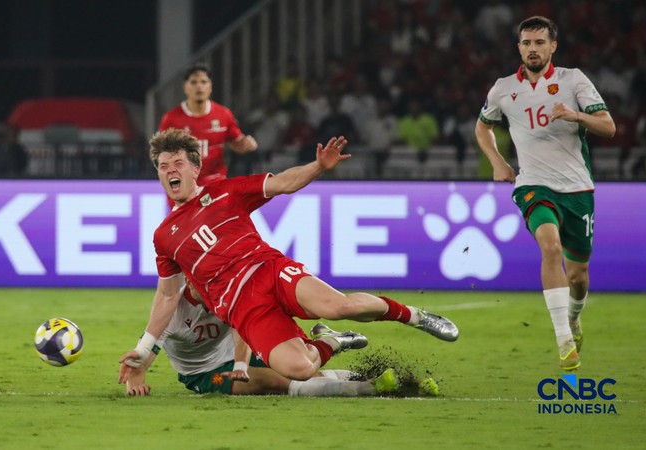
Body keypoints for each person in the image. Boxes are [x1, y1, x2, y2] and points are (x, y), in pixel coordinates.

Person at [118, 129, 458, 385]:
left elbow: (281, 183)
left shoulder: (226, 192)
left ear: (195, 168)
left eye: (177, 162)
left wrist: (319, 167)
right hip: (241, 308)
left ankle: (412, 315)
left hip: (268, 270)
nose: (169, 170)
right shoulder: (164, 235)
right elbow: (166, 297)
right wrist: (144, 350)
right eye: (163, 166)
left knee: (340, 307)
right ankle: (330, 341)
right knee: (300, 370)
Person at [474, 16, 616, 371]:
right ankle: (563, 340)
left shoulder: (573, 79)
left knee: (578, 276)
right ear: (519, 47)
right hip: (533, 184)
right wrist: (497, 161)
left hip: (577, 189)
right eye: (526, 43)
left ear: (553, 46)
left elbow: (609, 127)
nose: (532, 49)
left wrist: (576, 116)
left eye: (539, 43)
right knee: (550, 246)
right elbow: (482, 126)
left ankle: (574, 317)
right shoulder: (503, 88)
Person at [123, 284, 402, 397]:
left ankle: (357, 365)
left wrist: (241, 363)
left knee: (306, 373)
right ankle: (370, 387)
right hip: (206, 374)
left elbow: (240, 328)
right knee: (276, 383)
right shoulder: (172, 308)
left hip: (238, 353)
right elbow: (150, 345)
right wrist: (137, 377)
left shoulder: (225, 292)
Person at [158, 63, 257, 187]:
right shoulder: (171, 119)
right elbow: (160, 154)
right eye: (194, 82)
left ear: (210, 87)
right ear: (185, 87)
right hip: (183, 184)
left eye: (203, 82)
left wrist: (246, 144)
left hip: (215, 182)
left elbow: (236, 143)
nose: (199, 86)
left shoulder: (223, 115)